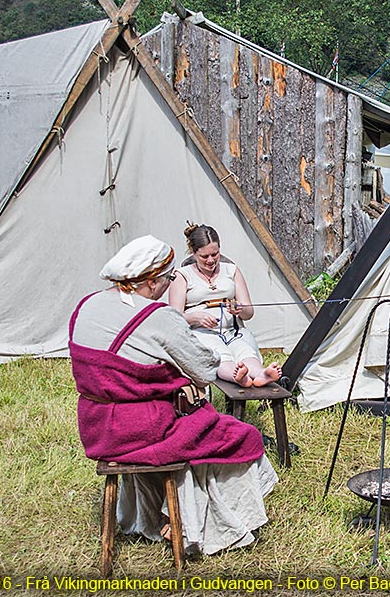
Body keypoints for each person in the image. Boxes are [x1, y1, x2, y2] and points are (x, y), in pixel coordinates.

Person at [70, 235, 278, 555]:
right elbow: (203, 371)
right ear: (151, 280)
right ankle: (209, 525)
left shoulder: (85, 306)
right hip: (145, 432)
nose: (168, 285)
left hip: (98, 431)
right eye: (167, 279)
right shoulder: (158, 317)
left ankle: (156, 513)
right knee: (242, 434)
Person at [169, 223, 282, 388]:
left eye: (215, 254)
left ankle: (261, 374)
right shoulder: (182, 276)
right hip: (201, 333)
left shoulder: (231, 270)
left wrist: (240, 310)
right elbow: (173, 319)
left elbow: (249, 312)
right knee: (218, 355)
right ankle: (237, 377)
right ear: (193, 253)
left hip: (232, 330)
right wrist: (195, 317)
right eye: (204, 256)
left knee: (244, 350)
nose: (210, 260)